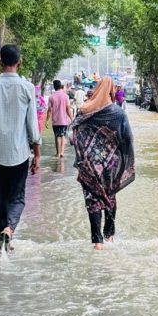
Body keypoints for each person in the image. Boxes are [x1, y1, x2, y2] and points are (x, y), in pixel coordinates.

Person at [0, 45, 41, 260]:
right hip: (20, 151)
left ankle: (4, 239)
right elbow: (32, 124)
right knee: (18, 197)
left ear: (0, 62)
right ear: (19, 62)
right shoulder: (26, 88)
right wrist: (37, 153)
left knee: (2, 196)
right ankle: (9, 231)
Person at [71, 77, 135, 250]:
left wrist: (84, 153)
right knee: (110, 197)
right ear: (111, 90)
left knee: (92, 200)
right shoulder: (118, 113)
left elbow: (74, 134)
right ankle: (109, 236)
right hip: (110, 166)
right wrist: (124, 159)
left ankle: (97, 241)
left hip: (89, 166)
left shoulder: (85, 111)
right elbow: (127, 138)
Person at [46, 78, 72, 158]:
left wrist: (47, 120)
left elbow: (49, 110)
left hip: (55, 120)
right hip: (64, 120)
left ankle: (57, 153)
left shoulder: (51, 97)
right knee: (63, 135)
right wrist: (71, 118)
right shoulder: (65, 96)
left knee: (57, 136)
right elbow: (68, 109)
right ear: (61, 86)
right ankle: (62, 153)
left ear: (54, 87)